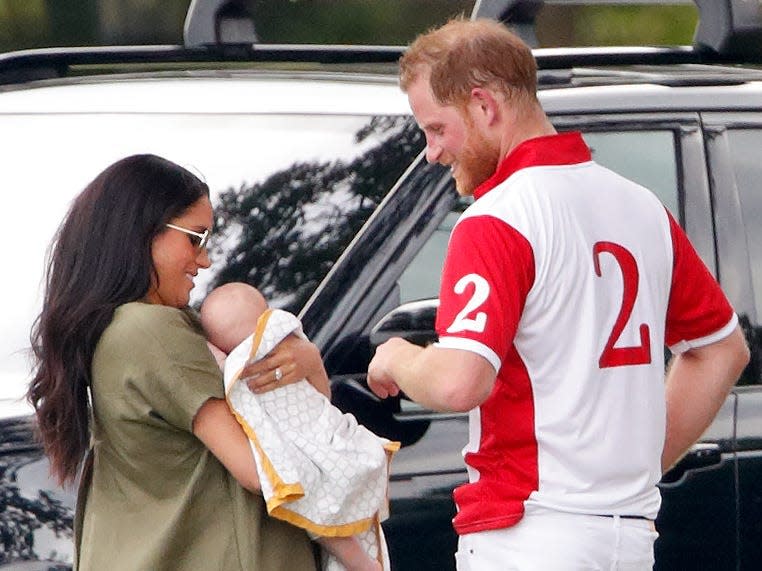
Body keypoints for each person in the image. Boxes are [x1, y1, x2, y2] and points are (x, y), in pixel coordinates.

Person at [366, 18, 751, 571]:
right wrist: (635, 467)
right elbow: (721, 349)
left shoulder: (496, 217)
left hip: (530, 533)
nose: (433, 152)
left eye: (435, 129)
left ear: (483, 106)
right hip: (627, 537)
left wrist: (400, 357)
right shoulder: (641, 206)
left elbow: (458, 382)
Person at [28, 154, 327, 570]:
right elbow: (265, 471)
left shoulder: (114, 329)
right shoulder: (152, 330)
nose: (204, 261)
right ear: (140, 233)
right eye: (195, 238)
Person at [200, 282, 395, 571]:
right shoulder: (288, 342)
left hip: (314, 456)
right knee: (339, 510)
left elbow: (317, 404)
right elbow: (323, 398)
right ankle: (365, 563)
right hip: (334, 448)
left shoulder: (240, 366)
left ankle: (362, 564)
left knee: (323, 511)